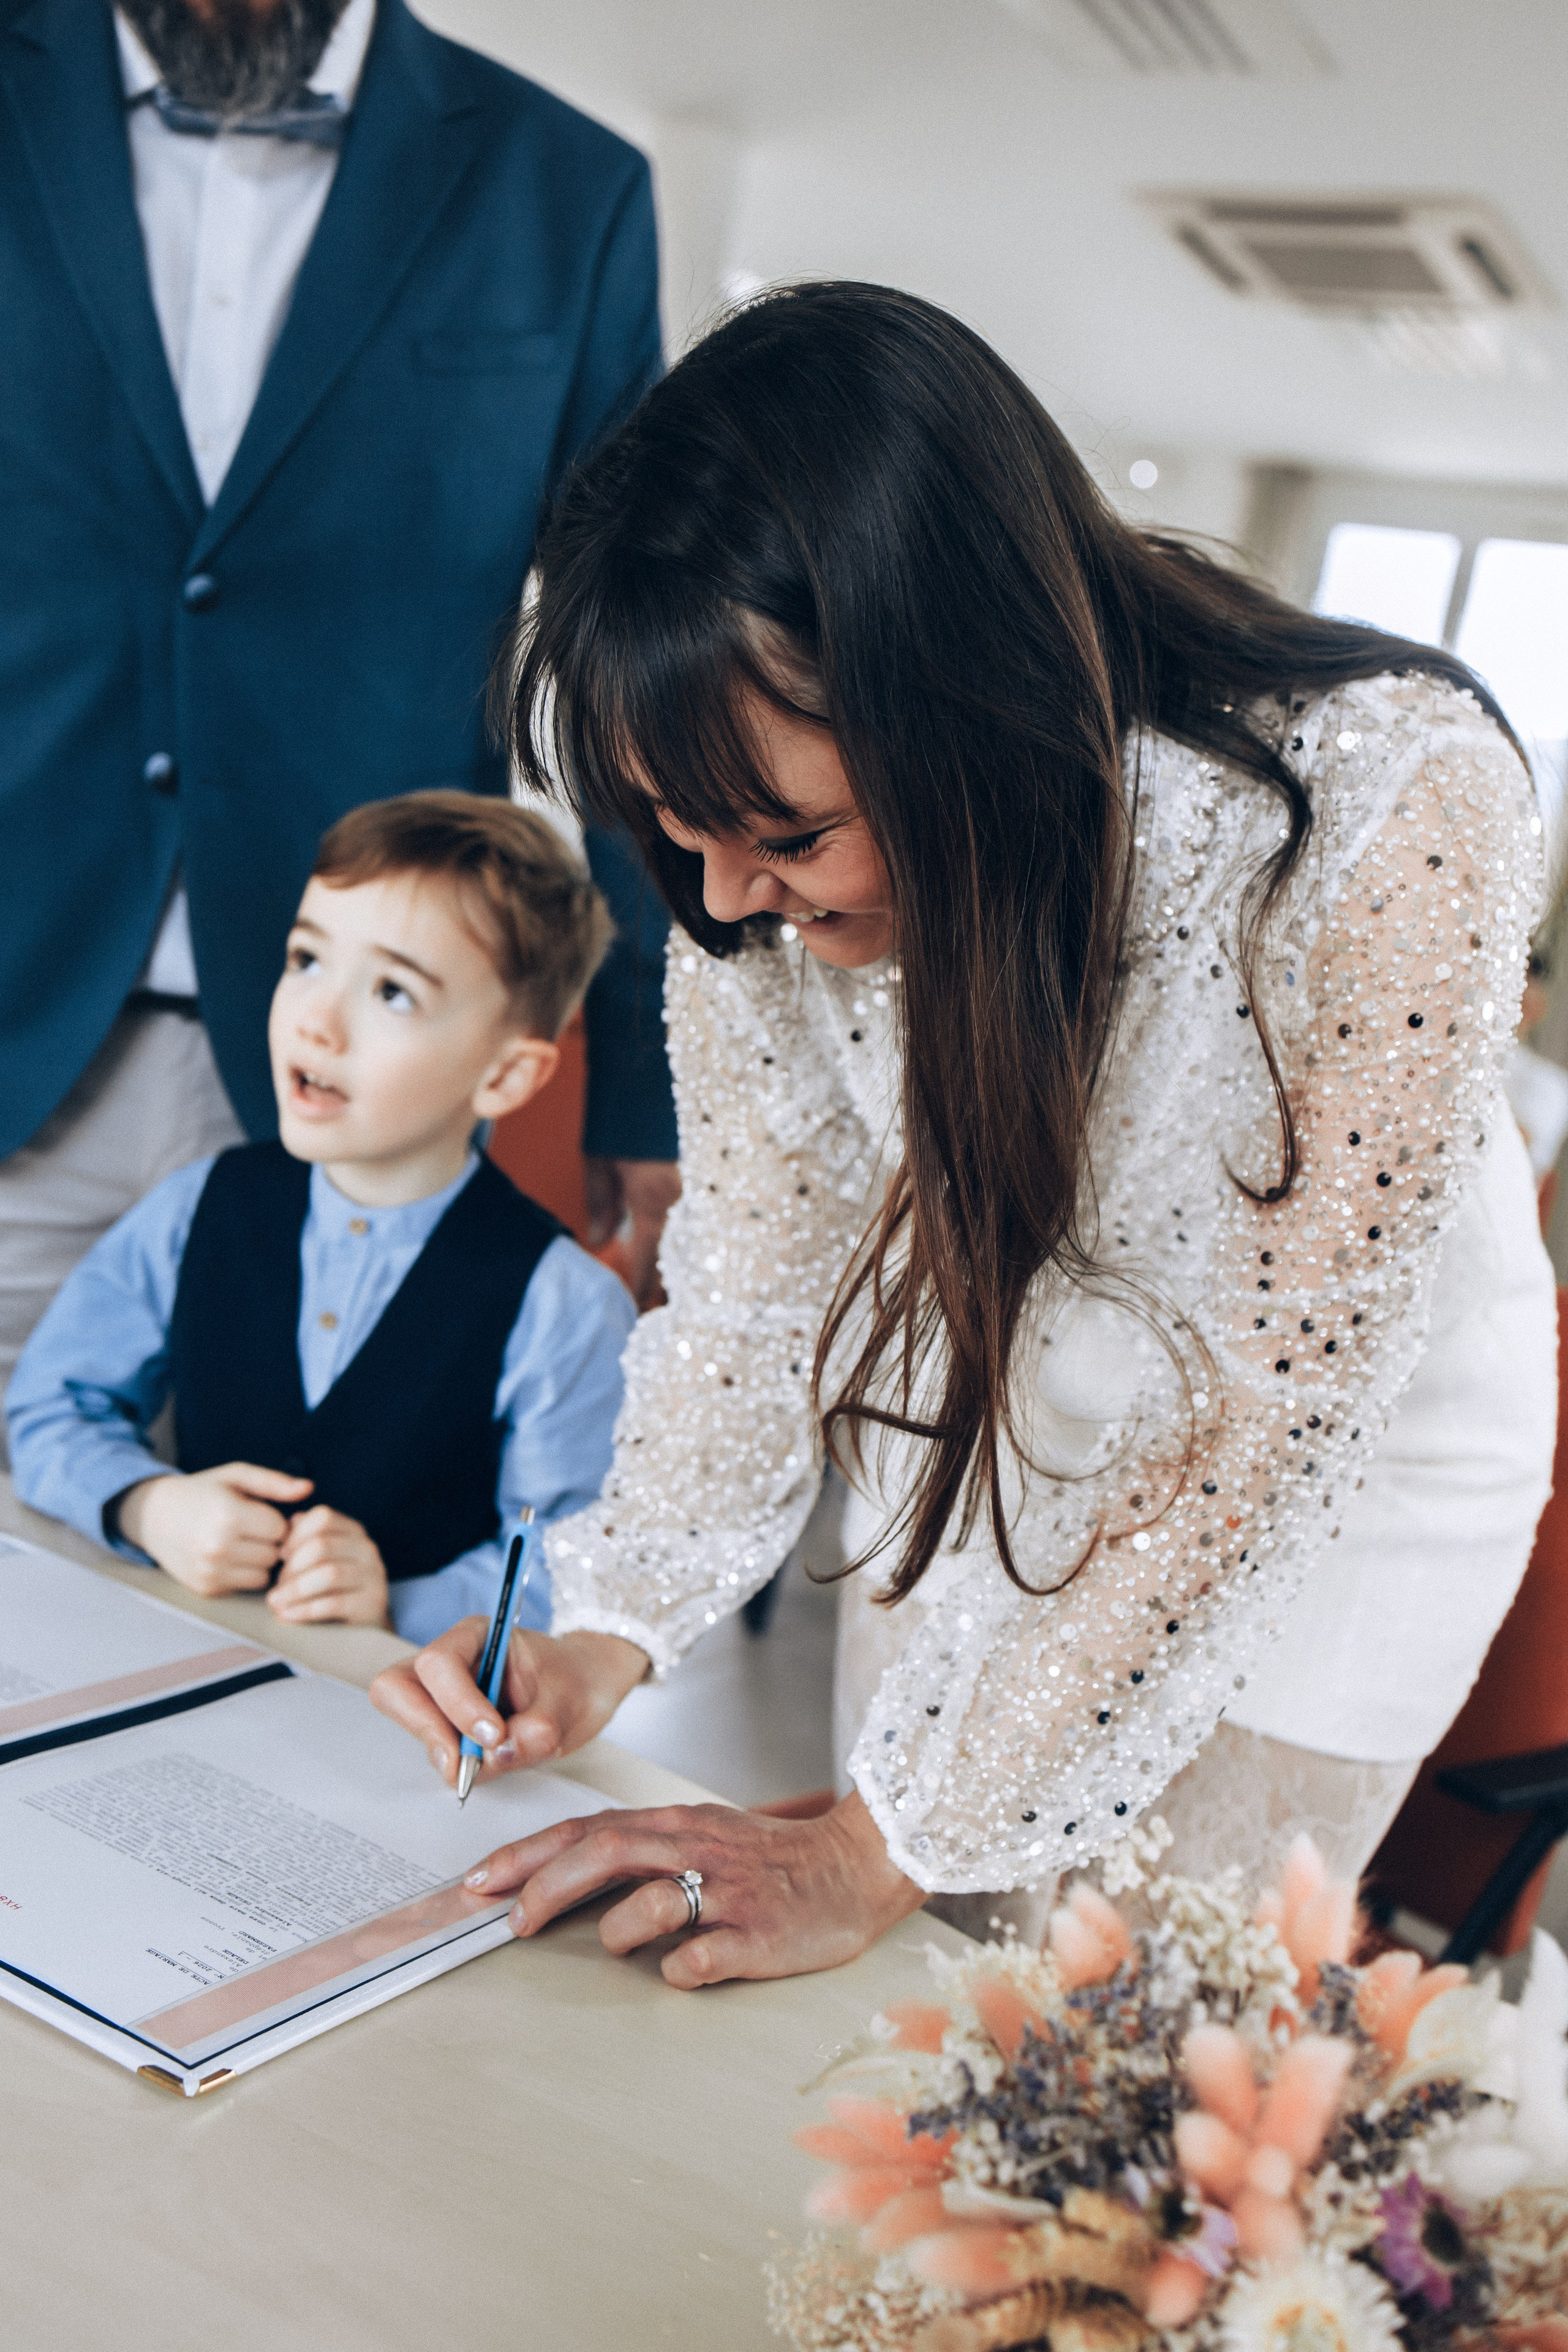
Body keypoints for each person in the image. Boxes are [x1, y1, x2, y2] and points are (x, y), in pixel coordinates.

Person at [369, 283, 1555, 1983]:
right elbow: (766, 1294)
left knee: (1130, 2033)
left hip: (1330, 1471)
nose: (726, 899)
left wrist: (881, 1839)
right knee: (909, 1996)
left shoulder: (1395, 802)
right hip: (993, 1395)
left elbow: (1262, 1416)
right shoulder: (750, 881)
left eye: (785, 832)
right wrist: (605, 1630)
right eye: (682, 838)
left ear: (960, 700)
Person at [0, 0, 679, 1416]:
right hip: (16, 1026)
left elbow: (629, 658)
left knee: (278, 1602)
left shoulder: (569, 193)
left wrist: (640, 1076)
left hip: (373, 1108)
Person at [7, 794, 636, 1643]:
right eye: (307, 959)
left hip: (395, 1728)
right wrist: (147, 1505)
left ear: (506, 1077)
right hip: (187, 1669)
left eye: (392, 991)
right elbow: (50, 1406)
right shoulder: (195, 1210)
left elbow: (575, 1567)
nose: (318, 1019)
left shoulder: (564, 1305)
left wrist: (402, 1604)